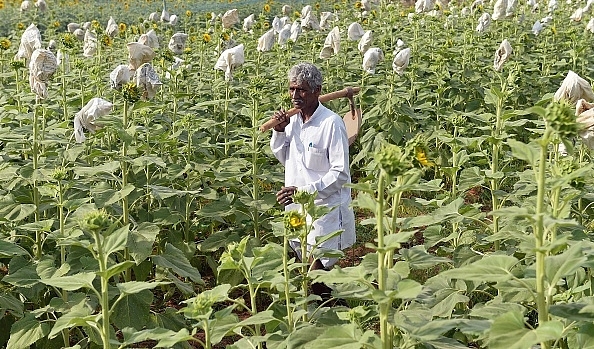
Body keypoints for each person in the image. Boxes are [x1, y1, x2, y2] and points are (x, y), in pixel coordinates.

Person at [270, 62, 356, 301]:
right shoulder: (293, 121)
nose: (295, 96)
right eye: (291, 89)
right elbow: (284, 156)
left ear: (317, 91)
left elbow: (339, 173)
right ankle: (329, 314)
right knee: (306, 271)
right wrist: (278, 131)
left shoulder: (331, 123)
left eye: (302, 90)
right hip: (297, 207)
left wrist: (304, 191)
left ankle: (334, 317)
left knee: (317, 275)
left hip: (323, 210)